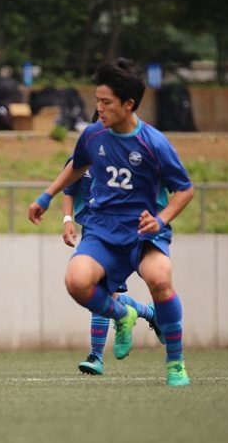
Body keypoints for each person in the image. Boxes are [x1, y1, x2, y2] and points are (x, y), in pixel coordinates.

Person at [28, 58, 194, 386]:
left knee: (160, 278)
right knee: (76, 281)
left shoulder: (154, 143)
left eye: (106, 102)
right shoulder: (92, 135)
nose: (99, 109)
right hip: (103, 229)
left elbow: (185, 190)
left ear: (128, 104)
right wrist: (46, 197)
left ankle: (175, 363)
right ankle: (124, 314)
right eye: (97, 101)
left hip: (143, 232)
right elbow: (76, 165)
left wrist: (161, 220)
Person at [60, 157, 163, 375]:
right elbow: (68, 189)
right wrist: (67, 219)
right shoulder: (80, 157)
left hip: (120, 231)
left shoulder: (123, 156)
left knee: (101, 290)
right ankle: (149, 313)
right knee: (107, 295)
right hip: (92, 232)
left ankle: (96, 357)